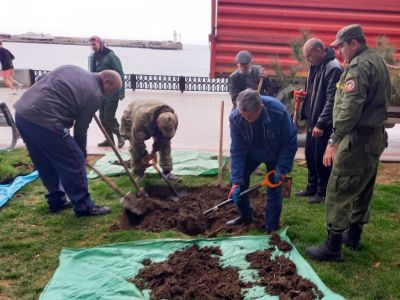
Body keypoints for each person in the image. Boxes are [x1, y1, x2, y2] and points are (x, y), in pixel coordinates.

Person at [306, 24, 391, 262]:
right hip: (374, 137)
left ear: (354, 43)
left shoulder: (358, 66)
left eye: (342, 45)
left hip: (357, 138)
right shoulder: (376, 60)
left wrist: (334, 139)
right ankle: (353, 237)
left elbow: (350, 108)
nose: (340, 50)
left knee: (339, 188)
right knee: (363, 187)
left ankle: (333, 246)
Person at [14, 65, 122, 217]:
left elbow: (40, 79)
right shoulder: (95, 95)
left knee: (45, 160)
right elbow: (80, 129)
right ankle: (84, 207)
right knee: (74, 160)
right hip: (46, 120)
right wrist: (81, 153)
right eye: (112, 91)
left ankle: (56, 200)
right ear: (107, 83)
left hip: (22, 114)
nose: (109, 95)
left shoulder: (72, 69)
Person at [227, 88, 297, 233]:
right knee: (240, 182)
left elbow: (289, 141)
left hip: (274, 152)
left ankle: (271, 226)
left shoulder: (278, 112)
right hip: (251, 152)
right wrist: (236, 181)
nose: (245, 119)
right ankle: (245, 215)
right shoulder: (235, 117)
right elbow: (237, 149)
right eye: (243, 115)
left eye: (249, 116)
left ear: (261, 108)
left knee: (274, 189)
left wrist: (282, 168)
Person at [295, 38, 343, 204]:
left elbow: (332, 99)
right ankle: (312, 186)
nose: (307, 59)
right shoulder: (316, 65)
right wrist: (304, 94)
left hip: (323, 123)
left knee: (322, 157)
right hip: (313, 119)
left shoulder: (333, 68)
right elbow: (315, 91)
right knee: (310, 154)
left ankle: (323, 192)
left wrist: (321, 123)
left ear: (318, 50)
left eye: (309, 55)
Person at [120, 99, 181, 184]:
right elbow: (137, 143)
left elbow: (165, 139)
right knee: (135, 147)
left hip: (150, 114)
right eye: (163, 130)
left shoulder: (173, 118)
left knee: (165, 144)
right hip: (131, 114)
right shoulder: (141, 120)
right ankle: (139, 173)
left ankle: (167, 172)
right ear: (157, 123)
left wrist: (154, 151)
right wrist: (145, 155)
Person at [89, 36, 125, 148]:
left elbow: (120, 73)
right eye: (91, 45)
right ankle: (109, 140)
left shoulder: (111, 56)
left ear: (100, 44)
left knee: (109, 116)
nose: (93, 47)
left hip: (113, 90)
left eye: (94, 44)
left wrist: (121, 91)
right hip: (101, 92)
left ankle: (120, 136)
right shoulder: (92, 57)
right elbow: (92, 75)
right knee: (102, 117)